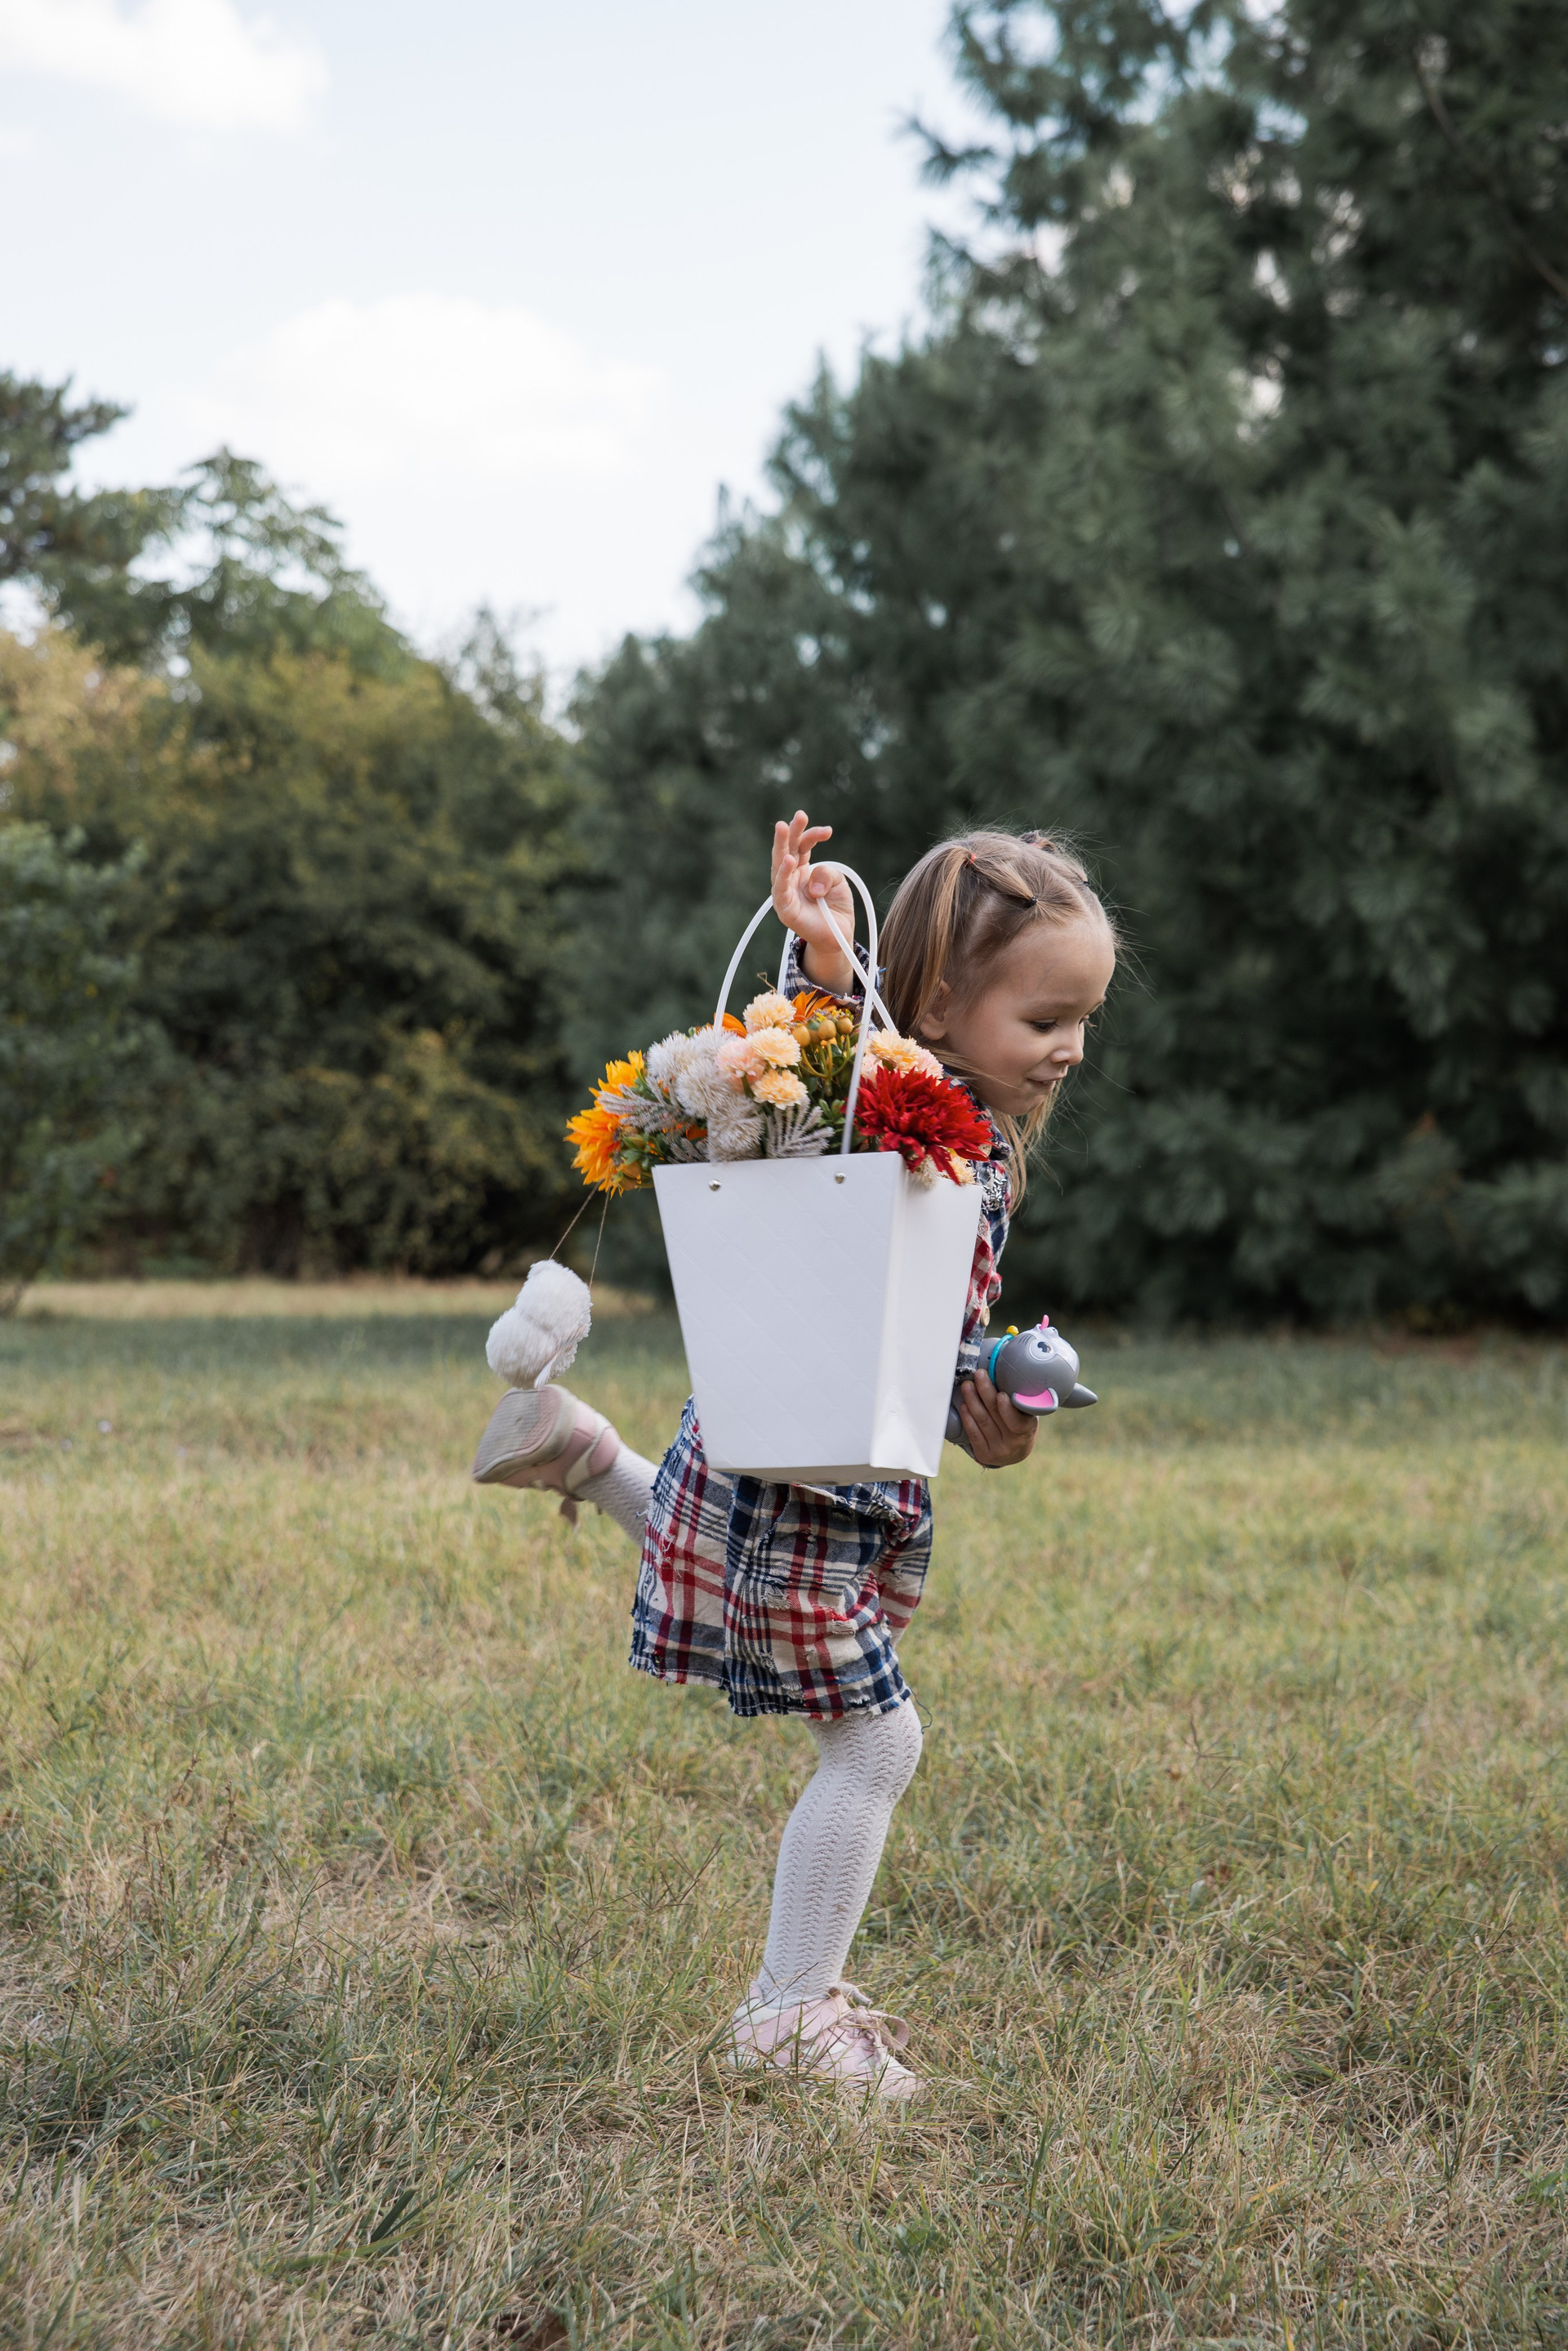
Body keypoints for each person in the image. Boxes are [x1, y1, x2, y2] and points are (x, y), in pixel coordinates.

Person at [470, 814, 1117, 2099]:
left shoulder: (972, 1146)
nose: (1071, 1048)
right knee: (877, 1746)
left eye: (1085, 1021)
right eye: (1046, 1016)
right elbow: (814, 1079)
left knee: (740, 1579)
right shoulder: (898, 1114)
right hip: (806, 1482)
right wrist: (823, 962)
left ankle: (586, 1450)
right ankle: (788, 2007)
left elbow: (904, 1326)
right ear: (941, 1001)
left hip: (790, 1451)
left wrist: (986, 1389)